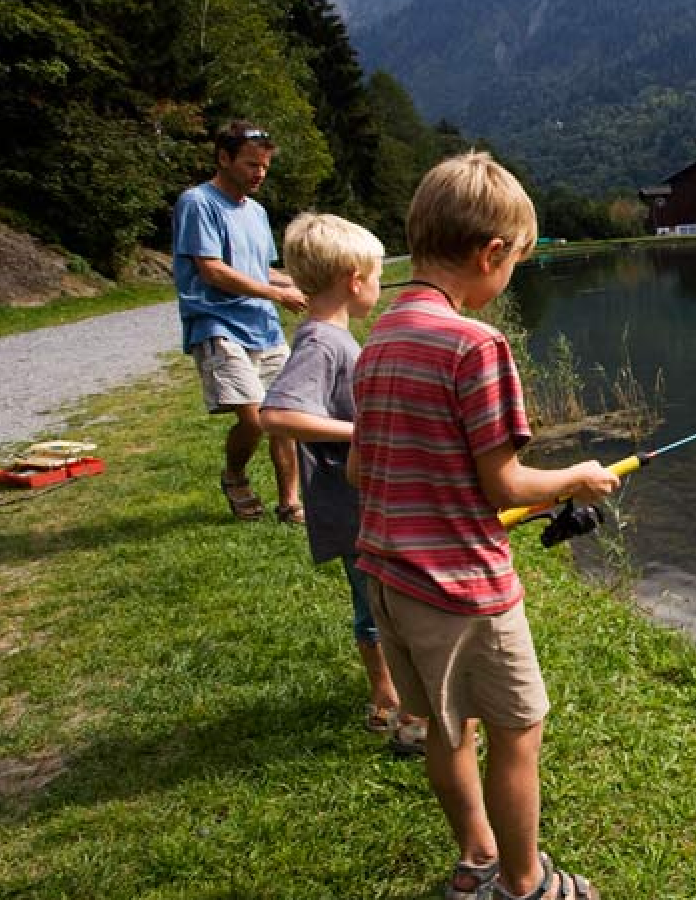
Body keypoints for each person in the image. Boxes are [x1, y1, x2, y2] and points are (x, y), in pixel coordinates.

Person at [349, 152, 617, 900]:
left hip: (388, 580)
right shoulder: (477, 346)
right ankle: (525, 884)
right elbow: (503, 480)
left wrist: (489, 500)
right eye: (515, 265)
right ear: (490, 253)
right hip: (461, 588)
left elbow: (363, 474)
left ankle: (476, 859)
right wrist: (578, 476)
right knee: (517, 731)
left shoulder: (379, 342)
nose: (509, 282)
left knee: (445, 726)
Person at [258, 213, 425, 756]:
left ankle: (393, 692)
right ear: (355, 280)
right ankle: (386, 698)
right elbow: (277, 415)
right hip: (349, 501)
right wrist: (362, 429)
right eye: (377, 274)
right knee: (372, 602)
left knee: (379, 597)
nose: (380, 284)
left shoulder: (329, 335)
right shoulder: (323, 343)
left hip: (361, 497)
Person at [173, 120, 308, 524]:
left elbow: (260, 270)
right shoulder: (198, 203)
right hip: (217, 324)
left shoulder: (257, 212)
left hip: (263, 327)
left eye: (264, 166)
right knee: (254, 418)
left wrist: (304, 283)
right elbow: (212, 269)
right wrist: (278, 295)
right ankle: (234, 475)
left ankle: (290, 504)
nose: (259, 174)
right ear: (223, 158)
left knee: (284, 415)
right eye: (251, 165)